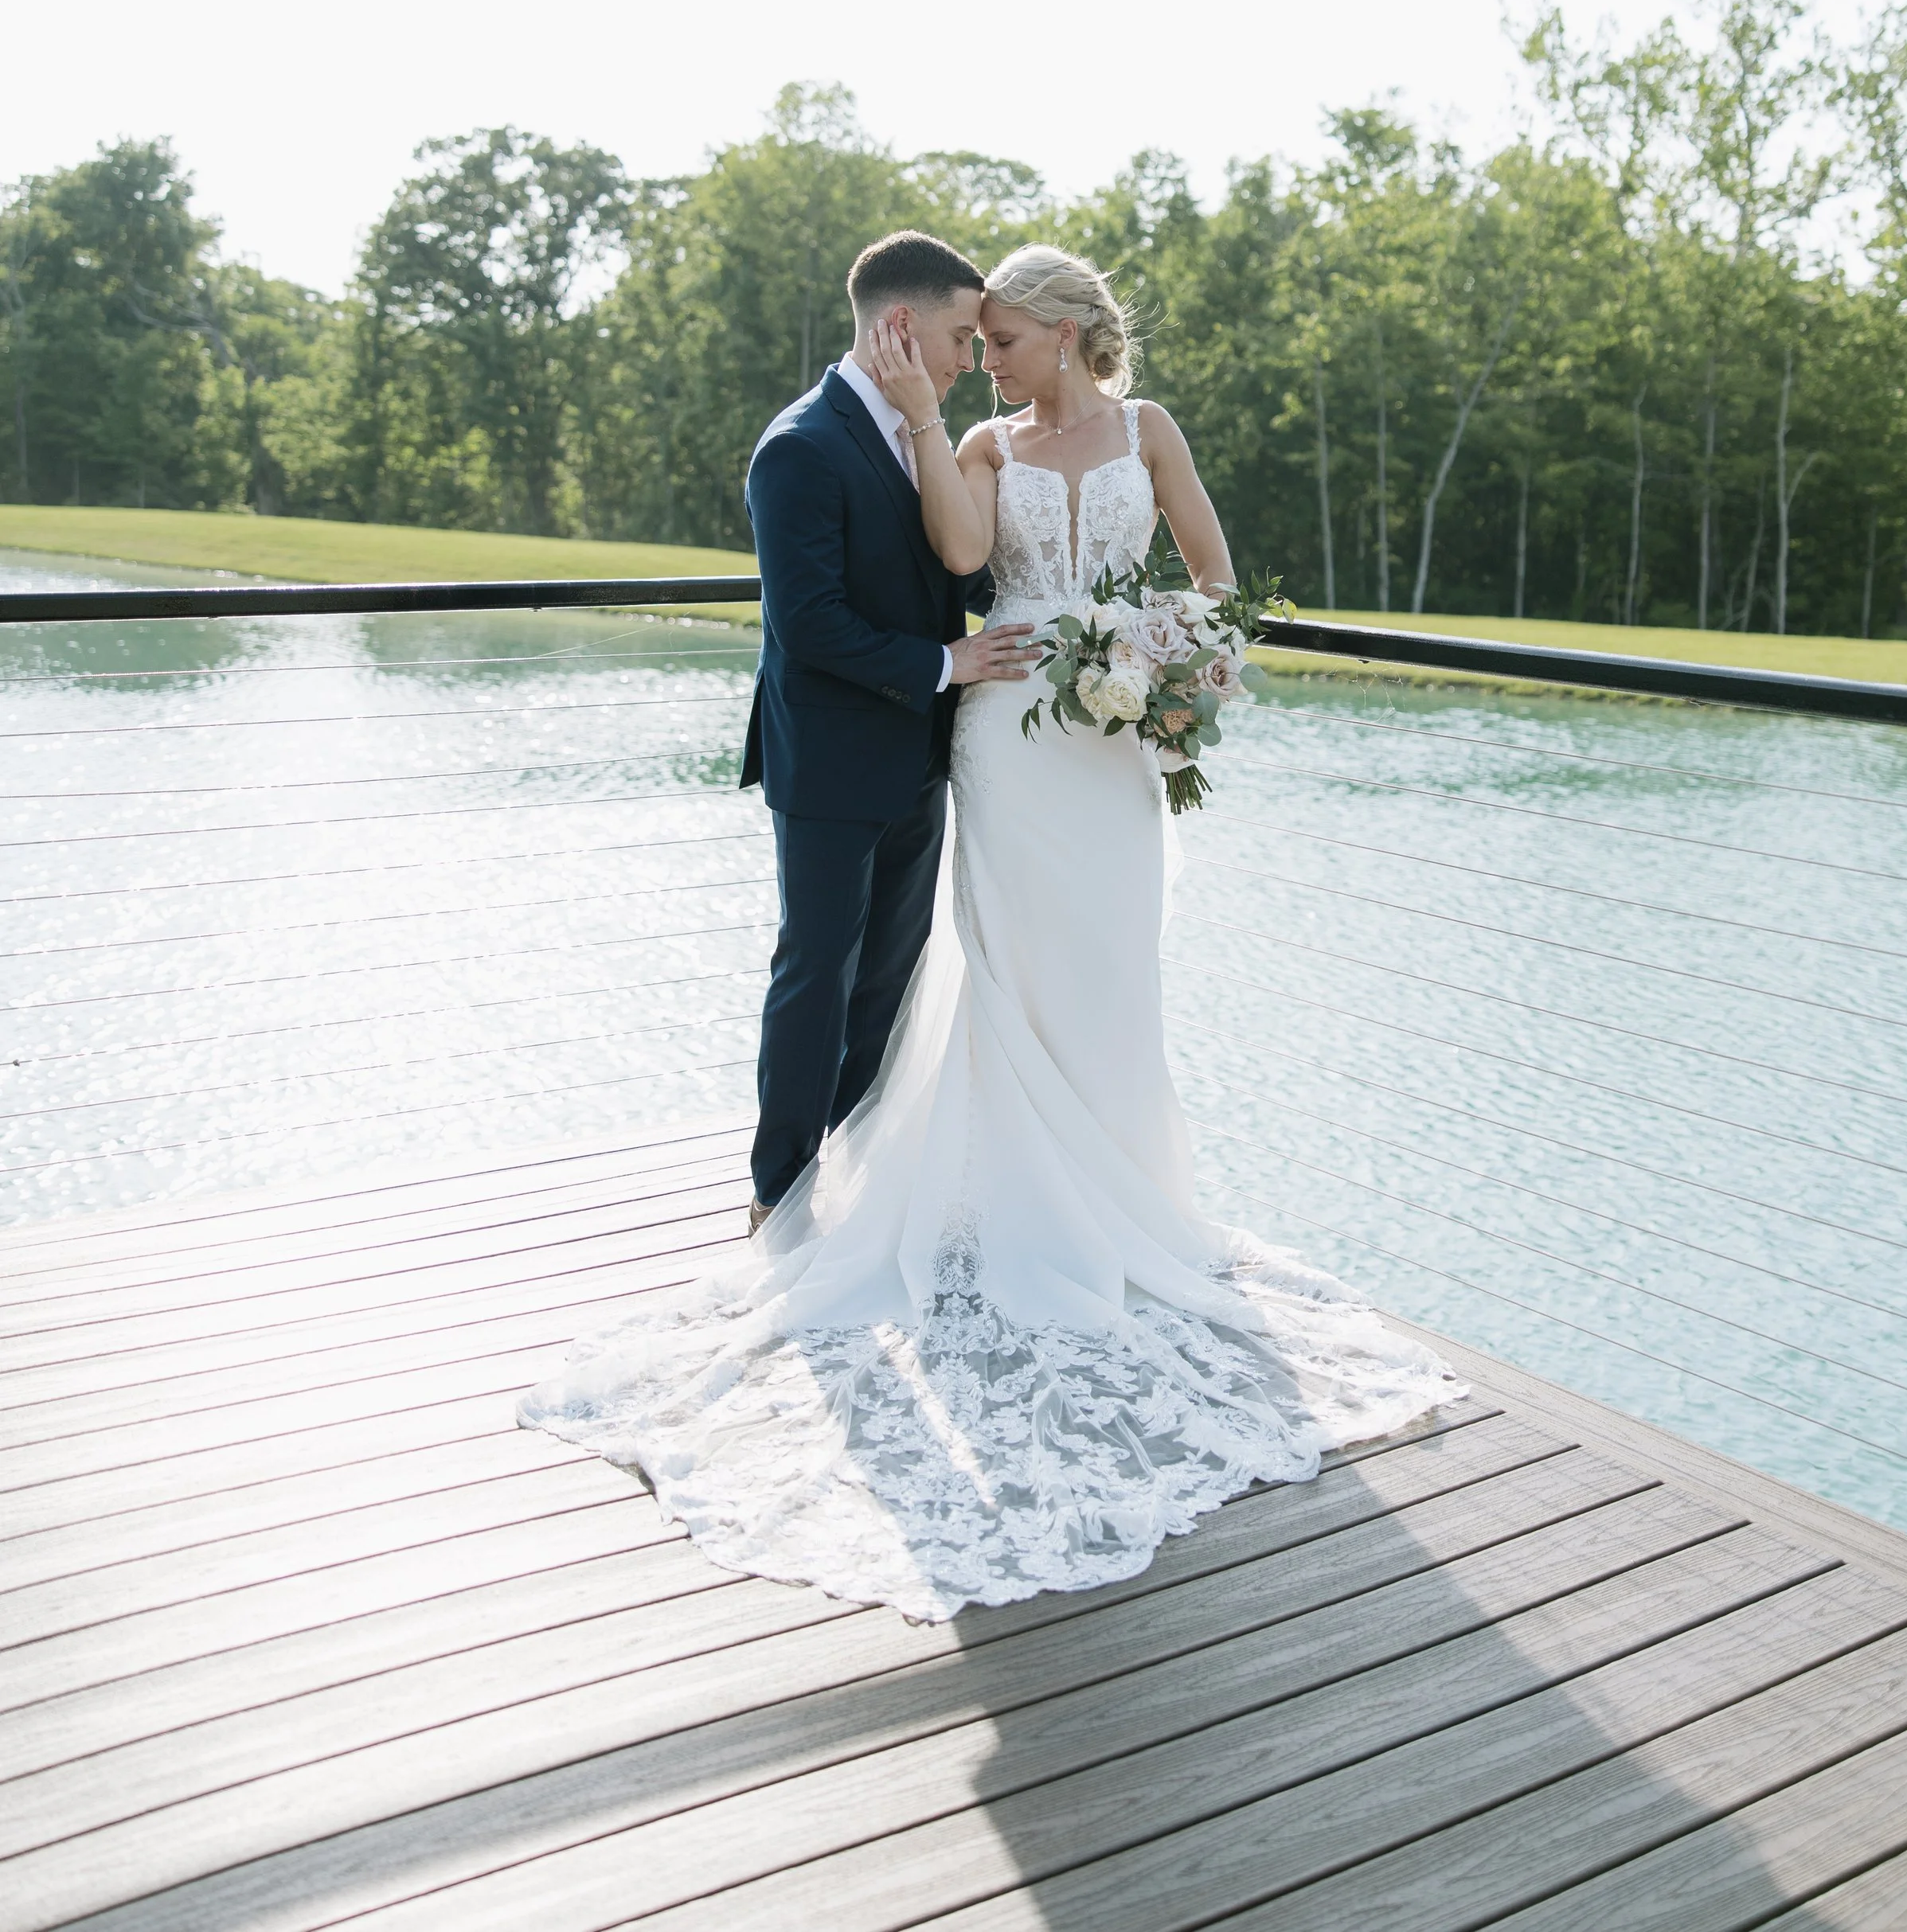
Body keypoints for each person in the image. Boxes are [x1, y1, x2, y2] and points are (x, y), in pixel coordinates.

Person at [522, 244, 1462, 1619]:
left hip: (1116, 750)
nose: (991, 357)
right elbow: (964, 563)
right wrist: (925, 428)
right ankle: (930, 1199)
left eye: (1008, 339)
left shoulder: (1150, 430)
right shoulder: (963, 437)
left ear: (1073, 336)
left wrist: (1164, 664)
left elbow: (1214, 572)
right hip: (1011, 730)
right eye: (981, 338)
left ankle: (1123, 1195)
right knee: (998, 973)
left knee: (1111, 973)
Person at [733, 229, 1037, 1227]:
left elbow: (965, 569)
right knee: (817, 974)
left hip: (920, 755)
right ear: (899, 325)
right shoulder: (800, 447)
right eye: (959, 336)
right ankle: (779, 1192)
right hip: (828, 759)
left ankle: (855, 1174)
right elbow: (810, 624)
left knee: (890, 979)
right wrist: (948, 663)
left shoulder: (925, 439)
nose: (970, 359)